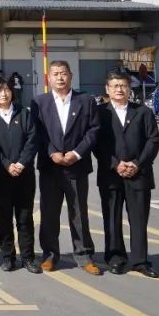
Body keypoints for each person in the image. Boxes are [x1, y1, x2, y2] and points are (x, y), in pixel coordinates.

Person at [33, 60, 102, 275]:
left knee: (78, 212)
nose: (60, 77)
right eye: (55, 74)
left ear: (71, 75)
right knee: (49, 213)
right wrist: (52, 152)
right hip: (50, 167)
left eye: (63, 73)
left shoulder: (86, 100)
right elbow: (37, 132)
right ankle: (49, 255)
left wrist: (77, 153)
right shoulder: (39, 102)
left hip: (77, 166)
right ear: (49, 78)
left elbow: (94, 130)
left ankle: (84, 255)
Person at [95, 68, 159, 278]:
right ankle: (115, 258)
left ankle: (140, 261)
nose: (119, 89)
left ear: (129, 88)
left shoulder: (143, 112)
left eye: (123, 85)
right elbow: (96, 143)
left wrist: (137, 164)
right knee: (112, 218)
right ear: (107, 89)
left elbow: (153, 140)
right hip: (110, 175)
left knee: (139, 219)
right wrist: (115, 164)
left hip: (139, 175)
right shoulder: (100, 113)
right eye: (115, 86)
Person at [0, 73, 41, 273]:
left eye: (7, 89)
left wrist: (21, 164)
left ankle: (28, 257)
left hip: (25, 175)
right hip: (0, 175)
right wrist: (7, 165)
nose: (3, 93)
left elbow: (32, 140)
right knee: (4, 217)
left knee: (25, 217)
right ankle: (8, 257)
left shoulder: (24, 113)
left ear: (12, 92)